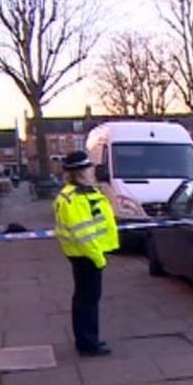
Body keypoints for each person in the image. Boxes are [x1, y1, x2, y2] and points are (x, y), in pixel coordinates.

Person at [54, 151, 119, 356]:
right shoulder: (72, 198)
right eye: (89, 168)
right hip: (86, 255)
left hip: (89, 253)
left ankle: (88, 339)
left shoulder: (85, 193)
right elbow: (83, 233)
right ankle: (88, 343)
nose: (92, 171)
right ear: (81, 172)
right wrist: (98, 258)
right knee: (87, 300)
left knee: (87, 298)